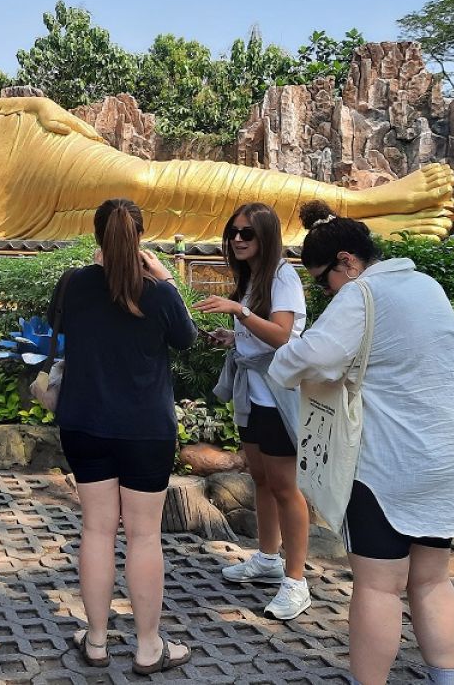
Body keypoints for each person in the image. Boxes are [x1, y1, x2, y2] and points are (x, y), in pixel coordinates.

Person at [268, 200, 454, 685]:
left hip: (388, 463)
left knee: (380, 588)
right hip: (446, 454)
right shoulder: (428, 286)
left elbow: (301, 361)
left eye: (323, 280)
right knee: (432, 579)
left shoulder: (360, 295)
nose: (325, 293)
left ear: (347, 261)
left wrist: (290, 361)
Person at [50, 198, 197, 675]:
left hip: (84, 421)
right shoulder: (156, 292)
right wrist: (167, 279)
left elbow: (64, 325)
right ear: (140, 239)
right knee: (142, 536)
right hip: (145, 430)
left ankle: (95, 641)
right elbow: (187, 339)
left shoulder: (73, 285)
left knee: (95, 529)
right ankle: (148, 646)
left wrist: (100, 268)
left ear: (97, 237)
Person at [193, 203, 311, 620]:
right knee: (260, 477)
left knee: (285, 485)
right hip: (252, 391)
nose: (238, 239)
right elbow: (259, 333)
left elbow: (282, 336)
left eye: (248, 233)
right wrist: (233, 335)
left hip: (277, 394)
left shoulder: (282, 276)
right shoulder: (253, 278)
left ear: (266, 237)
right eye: (233, 232)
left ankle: (296, 582)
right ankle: (267, 558)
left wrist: (239, 312)